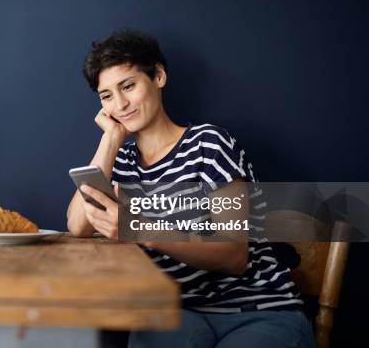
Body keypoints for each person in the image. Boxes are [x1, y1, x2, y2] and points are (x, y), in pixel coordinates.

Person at [66, 30, 315, 348]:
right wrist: (111, 139)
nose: (120, 104)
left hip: (258, 309)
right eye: (107, 96)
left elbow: (233, 254)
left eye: (128, 86)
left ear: (158, 76)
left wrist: (139, 228)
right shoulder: (122, 161)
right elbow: (77, 225)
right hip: (178, 314)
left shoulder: (210, 143)